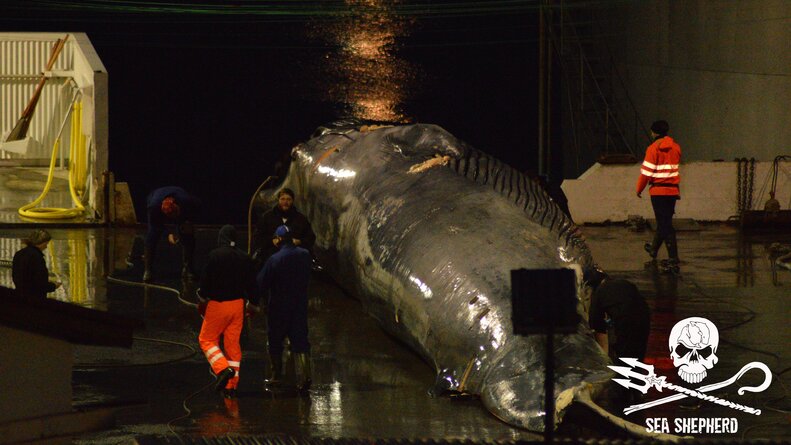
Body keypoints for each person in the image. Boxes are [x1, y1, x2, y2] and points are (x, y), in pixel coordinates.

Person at [197, 225, 259, 398]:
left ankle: (223, 370)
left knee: (207, 339)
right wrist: (253, 305)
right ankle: (231, 387)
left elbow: (205, 282)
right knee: (232, 345)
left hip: (218, 305)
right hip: (238, 306)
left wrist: (201, 298)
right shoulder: (244, 258)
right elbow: (252, 285)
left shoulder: (214, 256)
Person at [256, 225, 313, 392]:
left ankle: (276, 377)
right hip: (299, 305)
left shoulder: (275, 259)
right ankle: (305, 377)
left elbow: (261, 283)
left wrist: (253, 300)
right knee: (301, 341)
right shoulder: (305, 254)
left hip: (279, 307)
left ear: (278, 239)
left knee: (275, 341)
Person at [637, 120, 681, 270]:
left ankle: (673, 258)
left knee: (664, 224)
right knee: (665, 222)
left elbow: (646, 173)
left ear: (655, 132)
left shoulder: (652, 149)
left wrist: (639, 189)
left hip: (658, 191)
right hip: (672, 191)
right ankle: (654, 249)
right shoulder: (676, 148)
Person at [589, 274, 651, 362]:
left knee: (625, 351)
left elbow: (597, 324)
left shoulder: (599, 292)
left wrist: (602, 356)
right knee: (639, 347)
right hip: (644, 314)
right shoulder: (624, 283)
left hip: (625, 319)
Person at [144, 186, 201, 282]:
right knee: (152, 235)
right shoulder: (154, 206)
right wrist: (169, 233)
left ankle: (188, 268)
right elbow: (157, 224)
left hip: (184, 210)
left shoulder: (186, 201)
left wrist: (184, 227)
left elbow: (191, 216)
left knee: (188, 236)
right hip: (155, 204)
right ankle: (148, 270)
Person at [251, 188, 315, 270]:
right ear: (278, 200)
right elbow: (258, 237)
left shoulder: (300, 219)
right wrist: (271, 241)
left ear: (292, 201)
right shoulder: (267, 217)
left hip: (294, 260)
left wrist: (300, 241)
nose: (285, 202)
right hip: (271, 259)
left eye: (288, 199)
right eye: (282, 199)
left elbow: (311, 238)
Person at [12, 229, 61, 300]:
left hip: (20, 294)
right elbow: (39, 283)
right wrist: (53, 286)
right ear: (42, 242)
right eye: (46, 244)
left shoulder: (19, 254)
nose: (46, 247)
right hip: (35, 297)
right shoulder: (36, 257)